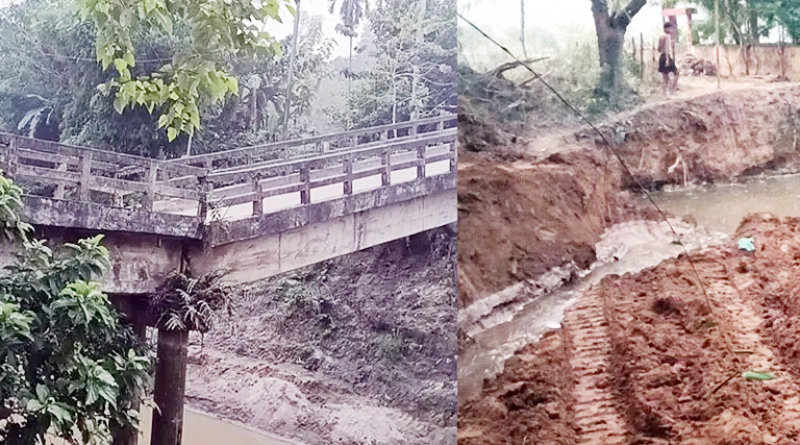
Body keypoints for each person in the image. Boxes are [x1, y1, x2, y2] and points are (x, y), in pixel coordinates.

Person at [658, 22, 679, 95]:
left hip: (661, 57)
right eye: (671, 28)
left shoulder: (661, 37)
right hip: (666, 56)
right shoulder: (667, 37)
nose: (672, 30)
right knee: (676, 74)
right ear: (667, 29)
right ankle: (672, 92)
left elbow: (659, 49)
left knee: (665, 78)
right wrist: (667, 59)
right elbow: (667, 49)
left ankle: (664, 93)